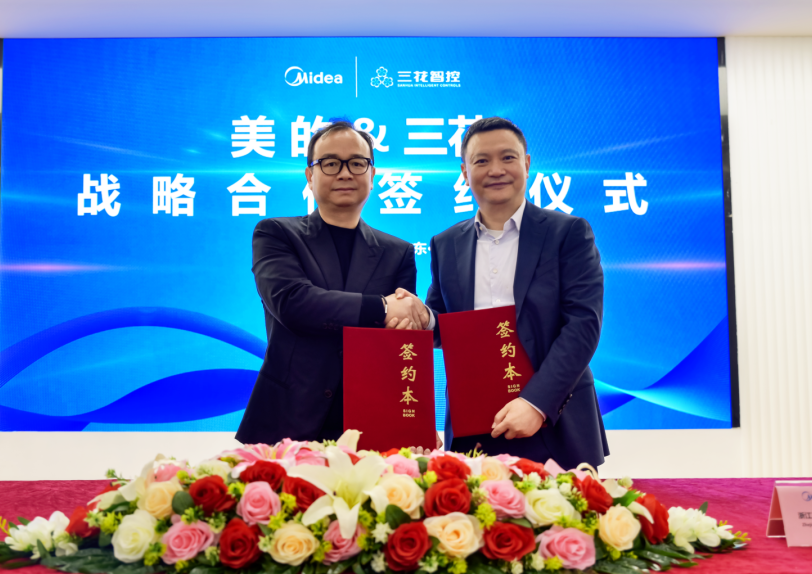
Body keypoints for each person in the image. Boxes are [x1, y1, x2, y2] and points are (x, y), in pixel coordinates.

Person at [399, 117, 608, 468]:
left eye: (508, 157)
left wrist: (536, 403)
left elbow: (583, 325)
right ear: (464, 172)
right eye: (481, 160)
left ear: (526, 163)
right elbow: (444, 325)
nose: (496, 170)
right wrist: (422, 317)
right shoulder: (446, 243)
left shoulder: (568, 233)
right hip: (475, 428)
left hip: (556, 424)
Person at [236, 120, 429, 445]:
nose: (345, 173)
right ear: (310, 175)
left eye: (357, 163)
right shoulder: (276, 233)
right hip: (287, 421)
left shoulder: (398, 252)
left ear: (372, 174)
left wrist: (414, 420)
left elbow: (399, 342)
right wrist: (381, 308)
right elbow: (294, 303)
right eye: (330, 163)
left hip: (371, 422)